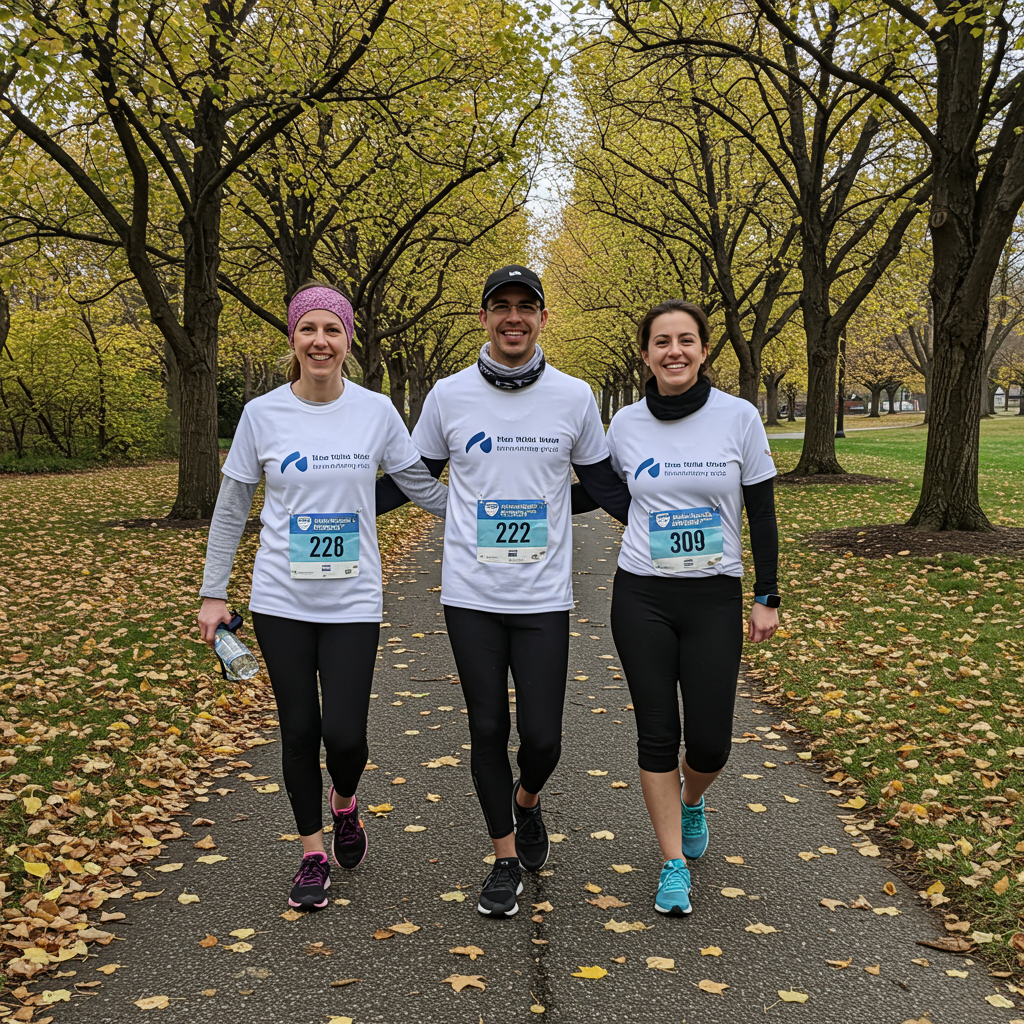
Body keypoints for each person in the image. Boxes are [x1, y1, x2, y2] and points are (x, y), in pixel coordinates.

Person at [376, 265, 628, 918]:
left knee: (542, 738)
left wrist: (663, 514)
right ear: (484, 317)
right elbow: (414, 476)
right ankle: (505, 859)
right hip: (471, 595)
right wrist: (336, 503)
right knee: (487, 726)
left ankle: (528, 800)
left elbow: (601, 485)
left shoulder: (574, 397)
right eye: (501, 306)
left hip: (543, 597)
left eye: (526, 306)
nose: (513, 317)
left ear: (542, 318)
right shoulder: (449, 396)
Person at [197, 282, 447, 911]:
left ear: (348, 340)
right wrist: (212, 593)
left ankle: (345, 802)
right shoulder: (262, 414)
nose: (320, 341)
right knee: (300, 730)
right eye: (308, 329)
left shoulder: (376, 411)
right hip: (279, 599)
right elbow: (232, 506)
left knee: (346, 736)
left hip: (352, 601)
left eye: (332, 330)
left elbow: (419, 485)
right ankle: (312, 853)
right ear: (293, 338)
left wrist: (495, 506)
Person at [589, 298, 779, 917]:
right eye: (662, 342)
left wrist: (767, 594)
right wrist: (515, 494)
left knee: (710, 744)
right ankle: (673, 863)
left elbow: (761, 512)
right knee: (656, 733)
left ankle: (692, 799)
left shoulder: (739, 417)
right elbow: (603, 490)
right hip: (642, 593)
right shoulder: (625, 424)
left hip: (713, 595)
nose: (674, 351)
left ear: (703, 349)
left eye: (686, 340)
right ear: (645, 355)